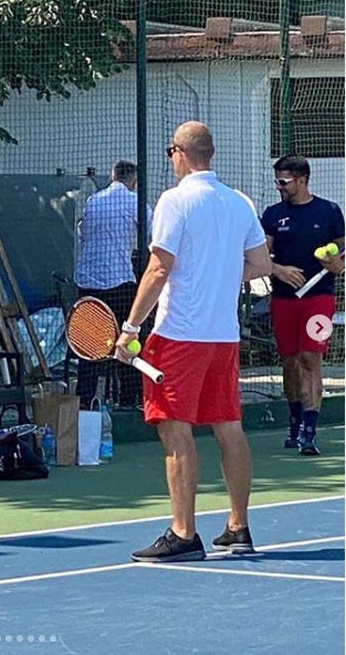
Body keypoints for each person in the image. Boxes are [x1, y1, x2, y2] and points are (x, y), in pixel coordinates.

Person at [115, 121, 272, 563]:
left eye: (169, 151)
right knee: (229, 427)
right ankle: (237, 528)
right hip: (223, 338)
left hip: (179, 336)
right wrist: (218, 279)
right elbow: (260, 264)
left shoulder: (174, 200)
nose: (169, 159)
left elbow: (158, 269)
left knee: (174, 428)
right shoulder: (239, 202)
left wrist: (129, 329)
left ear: (180, 153)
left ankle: (183, 533)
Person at [261, 155, 344, 455]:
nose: (279, 187)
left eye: (284, 181)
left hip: (319, 298)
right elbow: (260, 258)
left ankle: (309, 432)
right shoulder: (272, 215)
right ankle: (294, 423)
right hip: (283, 300)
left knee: (311, 357)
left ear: (302, 179)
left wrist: (336, 263)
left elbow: (342, 255)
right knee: (291, 362)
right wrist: (279, 270)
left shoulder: (330, 211)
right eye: (277, 181)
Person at [74, 160, 152, 407]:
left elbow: (83, 232)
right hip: (118, 281)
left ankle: (84, 401)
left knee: (90, 343)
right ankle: (128, 398)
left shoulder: (94, 201)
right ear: (133, 181)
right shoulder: (134, 202)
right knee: (128, 339)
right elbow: (154, 235)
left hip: (88, 283)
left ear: (112, 176)